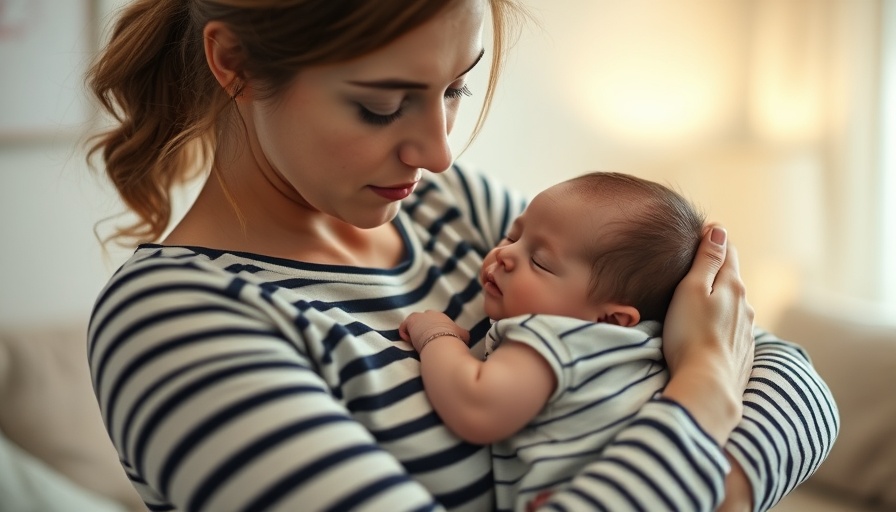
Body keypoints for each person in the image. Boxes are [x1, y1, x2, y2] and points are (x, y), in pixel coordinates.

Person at [83, 1, 838, 511]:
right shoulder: (172, 321)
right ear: (234, 62)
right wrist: (704, 393)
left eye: (455, 89)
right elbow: (722, 360)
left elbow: (797, 382)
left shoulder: (453, 209)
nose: (438, 152)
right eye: (381, 105)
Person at [400, 171, 708, 511]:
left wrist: (437, 335)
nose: (505, 254)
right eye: (511, 236)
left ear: (610, 319)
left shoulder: (557, 335)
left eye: (540, 262)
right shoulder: (654, 345)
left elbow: (477, 406)